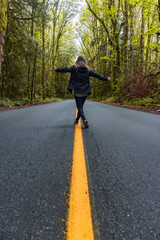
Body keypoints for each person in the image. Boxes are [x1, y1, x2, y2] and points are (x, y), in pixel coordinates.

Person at [53, 55, 111, 128]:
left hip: (77, 90)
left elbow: (65, 69)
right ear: (84, 61)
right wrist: (106, 79)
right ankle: (77, 120)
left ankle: (84, 119)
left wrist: (57, 69)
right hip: (85, 91)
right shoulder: (88, 70)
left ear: (77, 61)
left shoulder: (74, 68)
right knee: (80, 107)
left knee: (79, 107)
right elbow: (97, 75)